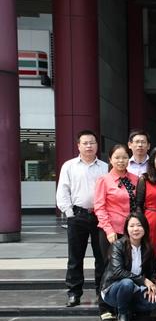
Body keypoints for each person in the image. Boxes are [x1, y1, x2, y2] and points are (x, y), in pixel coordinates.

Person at [56, 130, 108, 308]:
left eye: (92, 142)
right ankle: (74, 293)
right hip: (77, 215)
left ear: (97, 145)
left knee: (101, 257)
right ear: (78, 146)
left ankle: (102, 291)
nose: (89, 146)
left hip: (100, 216)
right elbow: (63, 190)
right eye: (85, 143)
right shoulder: (69, 166)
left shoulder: (105, 167)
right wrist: (69, 213)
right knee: (75, 257)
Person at [94, 143, 138, 321]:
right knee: (109, 268)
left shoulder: (136, 179)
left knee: (127, 268)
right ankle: (104, 306)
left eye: (124, 157)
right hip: (111, 232)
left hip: (131, 232)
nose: (121, 161)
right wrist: (108, 230)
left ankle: (124, 305)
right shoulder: (104, 180)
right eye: (117, 157)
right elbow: (99, 207)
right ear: (110, 160)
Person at [100, 212, 156, 321]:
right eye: (131, 226)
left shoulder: (147, 247)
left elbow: (153, 271)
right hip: (113, 289)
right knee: (127, 283)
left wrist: (151, 286)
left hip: (135, 288)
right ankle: (122, 314)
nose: (135, 229)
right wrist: (143, 280)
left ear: (145, 228)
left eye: (139, 225)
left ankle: (128, 308)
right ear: (126, 229)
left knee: (154, 302)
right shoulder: (118, 245)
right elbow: (118, 271)